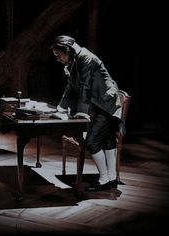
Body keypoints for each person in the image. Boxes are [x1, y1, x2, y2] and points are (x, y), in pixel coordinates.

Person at [50, 35, 123, 191]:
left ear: (67, 50)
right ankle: (111, 179)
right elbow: (71, 87)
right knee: (108, 140)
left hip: (106, 103)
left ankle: (104, 179)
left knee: (92, 142)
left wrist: (83, 112)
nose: (58, 59)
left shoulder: (85, 57)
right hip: (98, 103)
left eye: (58, 55)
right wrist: (60, 108)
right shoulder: (74, 61)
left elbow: (86, 86)